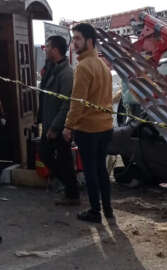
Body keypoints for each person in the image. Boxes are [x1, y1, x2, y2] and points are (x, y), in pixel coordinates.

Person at [63, 23, 114, 223]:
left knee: (91, 170)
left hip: (89, 129)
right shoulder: (102, 64)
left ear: (89, 41)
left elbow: (77, 102)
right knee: (101, 169)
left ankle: (95, 211)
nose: (74, 43)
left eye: (77, 38)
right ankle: (108, 210)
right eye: (73, 38)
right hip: (106, 127)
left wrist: (68, 126)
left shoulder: (84, 66)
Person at [38, 35, 80, 205]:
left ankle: (72, 191)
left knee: (62, 159)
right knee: (49, 156)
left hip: (60, 127)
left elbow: (66, 104)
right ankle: (70, 189)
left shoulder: (66, 73)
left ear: (55, 50)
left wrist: (55, 128)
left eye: (47, 46)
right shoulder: (52, 69)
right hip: (49, 123)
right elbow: (44, 95)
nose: (45, 49)